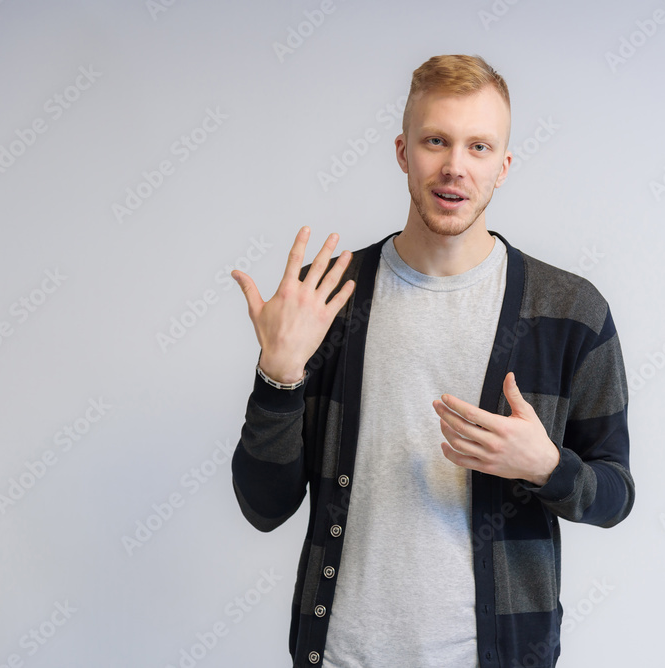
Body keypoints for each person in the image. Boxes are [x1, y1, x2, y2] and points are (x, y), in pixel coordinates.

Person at [229, 54, 634, 668]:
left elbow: (615, 495)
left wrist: (547, 467)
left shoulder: (570, 311)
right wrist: (277, 379)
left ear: (503, 166)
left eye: (479, 147)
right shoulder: (326, 300)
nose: (454, 167)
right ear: (403, 152)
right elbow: (263, 507)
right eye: (435, 141)